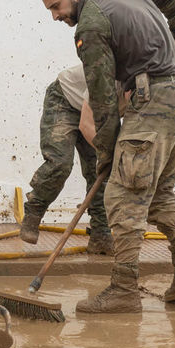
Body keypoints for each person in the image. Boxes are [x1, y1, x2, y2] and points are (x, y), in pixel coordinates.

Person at [39, 0, 175, 313]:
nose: (55, 17)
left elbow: (102, 103)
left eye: (56, 7)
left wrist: (107, 157)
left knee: (121, 193)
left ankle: (124, 288)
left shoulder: (90, 27)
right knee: (160, 192)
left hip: (154, 99)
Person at [20, 65, 111, 255]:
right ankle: (34, 210)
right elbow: (85, 124)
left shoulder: (147, 87)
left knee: (102, 170)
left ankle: (101, 235)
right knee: (60, 163)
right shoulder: (111, 74)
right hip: (64, 100)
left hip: (99, 111)